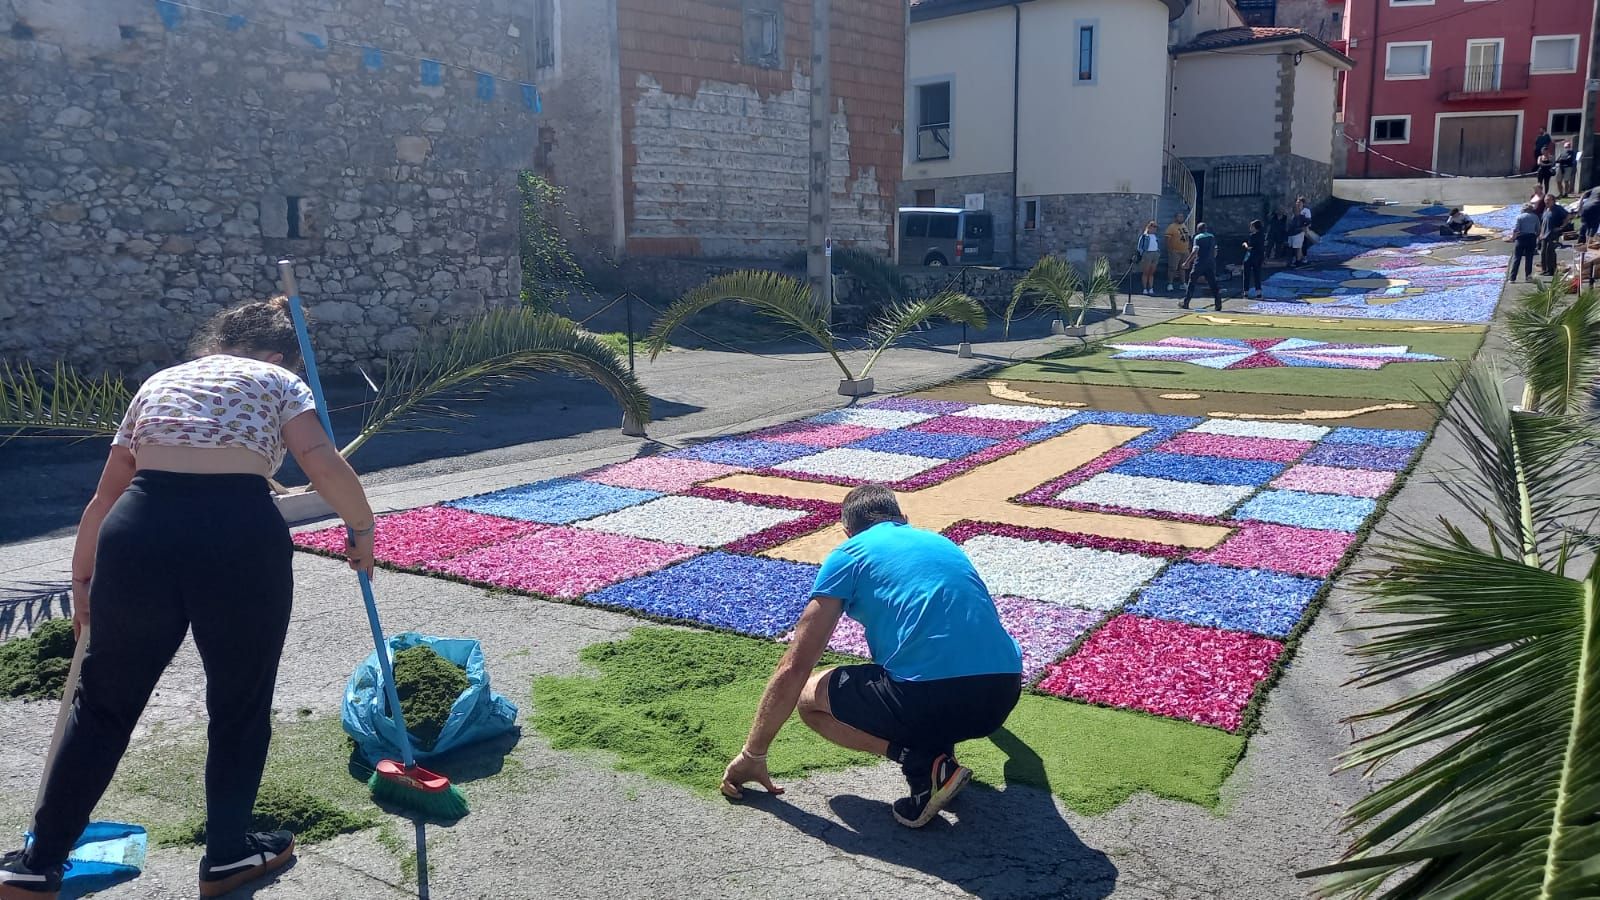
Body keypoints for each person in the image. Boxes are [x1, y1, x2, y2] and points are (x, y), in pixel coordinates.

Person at [0, 298, 378, 900]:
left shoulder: (160, 382)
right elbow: (318, 460)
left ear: (214, 346)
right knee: (239, 704)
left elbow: (105, 496)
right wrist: (361, 529)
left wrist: (82, 583)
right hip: (236, 537)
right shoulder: (279, 380)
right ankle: (227, 855)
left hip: (138, 532)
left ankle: (35, 864)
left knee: (102, 706)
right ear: (277, 353)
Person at [720, 485, 1022, 829]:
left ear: (847, 532)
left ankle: (923, 763)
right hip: (1002, 693)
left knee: (810, 698)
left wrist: (752, 754)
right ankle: (939, 760)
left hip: (932, 699)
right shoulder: (943, 544)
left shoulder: (849, 554)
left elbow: (794, 665)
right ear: (903, 519)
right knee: (912, 669)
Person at [1182, 221, 1222, 311]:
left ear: (1198, 230)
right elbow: (1215, 250)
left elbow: (1195, 251)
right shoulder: (1212, 237)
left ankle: (1186, 302)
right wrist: (1212, 258)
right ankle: (1218, 304)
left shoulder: (1198, 237)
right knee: (1213, 283)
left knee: (1192, 281)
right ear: (1206, 229)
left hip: (1200, 262)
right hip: (1210, 263)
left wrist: (1187, 262)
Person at [1510, 203, 1540, 283]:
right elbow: (1538, 229)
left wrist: (1513, 238)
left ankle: (1512, 278)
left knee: (1517, 258)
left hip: (1521, 239)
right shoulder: (1535, 217)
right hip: (1531, 238)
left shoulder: (1520, 217)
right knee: (1529, 258)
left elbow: (1516, 229)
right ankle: (1528, 277)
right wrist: (1536, 237)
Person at [1539, 197, 1568, 277]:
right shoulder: (1546, 209)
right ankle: (1544, 269)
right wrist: (1541, 233)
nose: (1546, 202)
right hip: (1544, 234)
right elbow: (1543, 222)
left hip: (1553, 234)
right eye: (1545, 200)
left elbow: (1568, 216)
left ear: (1553, 201)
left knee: (1550, 252)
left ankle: (1551, 270)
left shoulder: (1558, 209)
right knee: (1543, 252)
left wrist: (1562, 226)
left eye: (1548, 200)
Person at [1164, 212, 1191, 291]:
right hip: (1175, 251)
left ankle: (1183, 283)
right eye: (1179, 216)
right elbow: (1167, 238)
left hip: (1185, 251)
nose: (1181, 218)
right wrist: (1170, 249)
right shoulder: (1171, 227)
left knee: (1183, 267)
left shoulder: (1184, 226)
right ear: (1175, 218)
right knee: (1173, 268)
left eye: (1182, 216)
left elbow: (1187, 237)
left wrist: (1189, 247)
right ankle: (1170, 284)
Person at [1240, 219, 1265, 299]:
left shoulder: (1252, 236)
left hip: (1250, 257)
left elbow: (1249, 247)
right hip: (1259, 257)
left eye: (1251, 226)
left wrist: (1245, 244)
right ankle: (1258, 292)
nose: (1250, 228)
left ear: (1254, 227)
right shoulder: (1262, 235)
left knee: (1246, 274)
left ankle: (1246, 292)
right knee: (1257, 275)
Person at [1136, 221, 1161, 296]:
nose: (1154, 229)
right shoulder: (1144, 236)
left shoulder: (1156, 236)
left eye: (1155, 227)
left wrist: (1158, 252)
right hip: (1147, 254)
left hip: (1155, 254)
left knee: (1151, 272)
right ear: (1149, 227)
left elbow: (1158, 245)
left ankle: (1151, 288)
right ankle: (1144, 288)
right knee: (1146, 272)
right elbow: (1139, 247)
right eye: (1153, 227)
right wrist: (1143, 253)